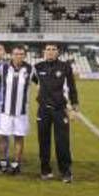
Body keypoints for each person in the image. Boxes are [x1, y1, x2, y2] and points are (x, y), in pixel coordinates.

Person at [32, 43, 79, 183]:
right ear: (44, 52)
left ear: (58, 52)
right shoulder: (38, 67)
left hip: (60, 109)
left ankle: (65, 172)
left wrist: (74, 105)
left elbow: (71, 87)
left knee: (62, 142)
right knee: (43, 141)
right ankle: (45, 170)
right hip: (43, 110)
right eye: (48, 50)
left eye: (53, 50)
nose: (50, 52)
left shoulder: (65, 67)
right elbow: (34, 81)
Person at [0, 45, 33, 174]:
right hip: (4, 111)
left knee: (19, 137)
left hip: (21, 112)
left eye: (21, 54)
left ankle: (16, 164)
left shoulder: (30, 69)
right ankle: (2, 163)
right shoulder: (3, 68)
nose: (18, 56)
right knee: (2, 137)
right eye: (16, 54)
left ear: (25, 55)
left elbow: (41, 84)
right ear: (11, 55)